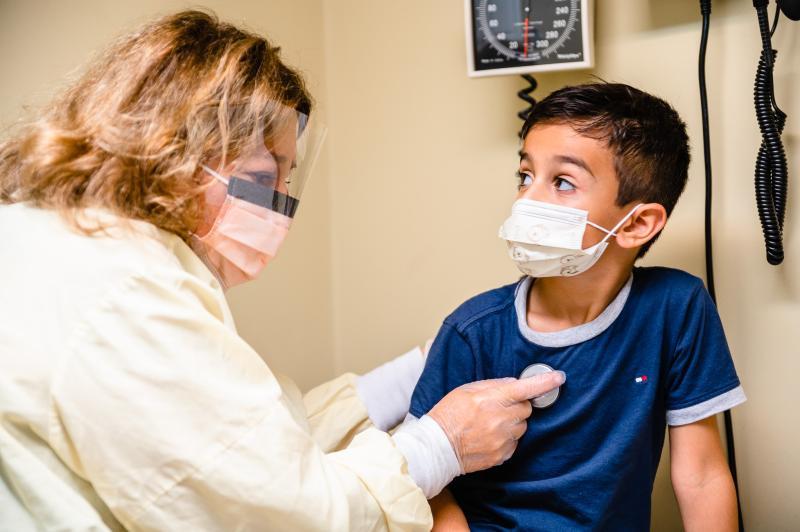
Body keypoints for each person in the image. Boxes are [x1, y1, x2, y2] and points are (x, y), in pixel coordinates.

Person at [0, 10, 564, 531]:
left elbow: (244, 443)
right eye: (262, 175)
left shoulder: (69, 241)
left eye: (287, 182)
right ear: (169, 150)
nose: (278, 207)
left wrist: (412, 371)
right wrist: (440, 446)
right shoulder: (120, 289)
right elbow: (281, 507)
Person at [409, 83, 746, 531]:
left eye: (562, 182)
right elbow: (422, 484)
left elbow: (702, 475)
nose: (527, 200)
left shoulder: (675, 309)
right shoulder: (473, 330)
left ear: (638, 223)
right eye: (525, 176)